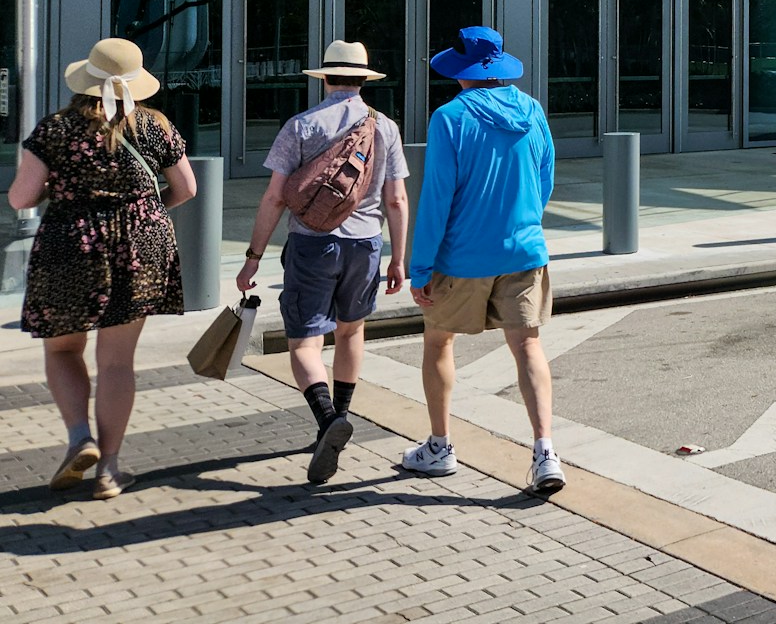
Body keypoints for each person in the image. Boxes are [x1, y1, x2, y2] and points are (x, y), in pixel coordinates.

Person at [9, 38, 198, 499]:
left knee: (62, 351)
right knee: (116, 363)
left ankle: (79, 438)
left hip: (70, 245)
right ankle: (109, 470)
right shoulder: (155, 126)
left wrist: (61, 188)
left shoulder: (55, 129)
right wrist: (145, 211)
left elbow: (20, 198)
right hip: (139, 247)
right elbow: (187, 188)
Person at [401, 27, 564, 494]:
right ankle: (545, 452)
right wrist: (524, 221)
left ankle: (439, 447)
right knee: (528, 347)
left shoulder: (450, 118)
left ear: (463, 73)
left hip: (461, 257)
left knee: (439, 343)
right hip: (524, 251)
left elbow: (437, 200)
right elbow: (545, 178)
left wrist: (421, 267)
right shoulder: (531, 110)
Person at [239, 40, 409, 485]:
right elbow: (397, 199)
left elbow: (275, 197)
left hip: (313, 244)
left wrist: (253, 257)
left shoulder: (301, 126)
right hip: (367, 244)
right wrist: (399, 260)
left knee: (304, 343)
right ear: (363, 79)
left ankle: (326, 418)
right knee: (351, 331)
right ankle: (342, 414)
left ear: (326, 77)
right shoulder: (385, 128)